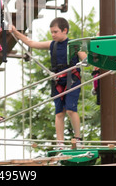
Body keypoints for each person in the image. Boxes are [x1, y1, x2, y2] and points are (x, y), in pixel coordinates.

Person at [10, 17, 87, 148]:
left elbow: (86, 59)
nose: (53, 34)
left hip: (72, 79)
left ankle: (78, 138)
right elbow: (31, 43)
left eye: (55, 32)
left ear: (65, 31)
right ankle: (60, 142)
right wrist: (15, 32)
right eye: (52, 32)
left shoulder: (75, 45)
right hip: (57, 80)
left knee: (70, 109)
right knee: (59, 112)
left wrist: (85, 62)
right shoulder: (52, 44)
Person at [92, 26, 116, 142]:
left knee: (115, 115)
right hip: (101, 82)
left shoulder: (108, 49)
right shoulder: (99, 47)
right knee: (108, 114)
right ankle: (111, 139)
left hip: (110, 82)